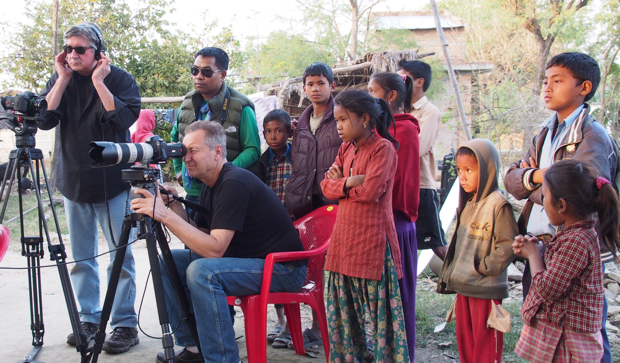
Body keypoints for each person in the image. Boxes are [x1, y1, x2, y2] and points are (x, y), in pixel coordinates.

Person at [131, 121, 307, 363]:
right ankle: (193, 347)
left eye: (193, 150)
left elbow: (214, 250)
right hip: (251, 262)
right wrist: (173, 204)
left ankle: (222, 359)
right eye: (184, 151)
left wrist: (163, 214)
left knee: (203, 272)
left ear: (217, 152)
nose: (186, 158)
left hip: (284, 270)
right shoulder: (211, 183)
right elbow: (200, 233)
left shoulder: (233, 182)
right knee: (168, 261)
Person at [504, 52, 616, 362]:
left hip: (571, 245)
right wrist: (541, 176)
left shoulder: (592, 136)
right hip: (541, 242)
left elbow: (582, 191)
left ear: (584, 87)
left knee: (585, 333)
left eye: (558, 80)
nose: (548, 87)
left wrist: (534, 182)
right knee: (545, 326)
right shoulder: (545, 131)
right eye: (545, 81)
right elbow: (512, 181)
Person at [37, 22, 141, 353]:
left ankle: (124, 324)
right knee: (82, 257)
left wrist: (98, 82)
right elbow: (43, 118)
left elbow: (124, 120)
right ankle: (89, 319)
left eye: (80, 49)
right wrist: (63, 77)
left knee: (119, 256)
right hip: (73, 179)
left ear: (98, 53)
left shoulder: (119, 79)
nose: (72, 54)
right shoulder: (60, 79)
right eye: (68, 48)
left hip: (112, 182)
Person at [321, 88, 410, 362]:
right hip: (343, 245)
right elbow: (325, 187)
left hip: (373, 247)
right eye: (336, 120)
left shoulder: (383, 149)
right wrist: (350, 181)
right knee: (344, 318)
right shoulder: (345, 148)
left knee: (383, 323)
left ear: (365, 119)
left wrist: (341, 185)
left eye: (343, 120)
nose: (338, 126)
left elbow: (371, 192)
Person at [512, 159, 619, 362]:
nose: (543, 202)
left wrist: (534, 256)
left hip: (569, 343)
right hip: (564, 336)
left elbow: (547, 289)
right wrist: (540, 249)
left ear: (561, 205)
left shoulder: (576, 242)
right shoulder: (576, 234)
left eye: (544, 196)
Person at [436, 139, 518, 363]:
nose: (462, 176)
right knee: (466, 344)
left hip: (484, 290)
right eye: (460, 170)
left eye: (469, 170)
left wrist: (484, 267)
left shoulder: (498, 204)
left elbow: (508, 244)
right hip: (464, 288)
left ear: (488, 169)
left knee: (484, 347)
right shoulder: (468, 203)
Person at [279, 61, 342, 349]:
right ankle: (312, 327)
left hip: (334, 203)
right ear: (304, 88)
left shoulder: (340, 118)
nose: (315, 89)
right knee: (311, 267)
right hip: (305, 205)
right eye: (310, 84)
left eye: (321, 83)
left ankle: (326, 328)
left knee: (332, 269)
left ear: (332, 86)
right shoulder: (300, 125)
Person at [171, 46, 260, 221]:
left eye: (206, 71)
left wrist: (223, 175)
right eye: (195, 70)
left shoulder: (241, 106)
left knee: (220, 245)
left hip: (225, 192)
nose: (199, 76)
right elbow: (176, 138)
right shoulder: (187, 102)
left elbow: (253, 150)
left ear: (223, 75)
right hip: (193, 193)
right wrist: (178, 170)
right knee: (192, 243)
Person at [368, 72, 420, 362]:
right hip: (377, 222)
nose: (368, 95)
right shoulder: (381, 129)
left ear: (390, 97)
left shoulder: (406, 131)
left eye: (373, 90)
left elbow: (397, 184)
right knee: (380, 300)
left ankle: (404, 356)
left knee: (399, 298)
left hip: (396, 223)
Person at [397, 60, 448, 261]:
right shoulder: (400, 110)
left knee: (437, 243)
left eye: (404, 77)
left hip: (421, 186)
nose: (400, 82)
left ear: (419, 82)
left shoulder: (429, 111)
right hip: (401, 186)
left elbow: (419, 147)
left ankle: (465, 278)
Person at [257, 109, 295, 345]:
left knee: (293, 274)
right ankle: (280, 322)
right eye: (269, 131)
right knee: (272, 274)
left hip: (295, 224)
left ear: (289, 132)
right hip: (270, 227)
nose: (273, 136)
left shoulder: (299, 159)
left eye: (279, 131)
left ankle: (292, 326)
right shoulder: (262, 162)